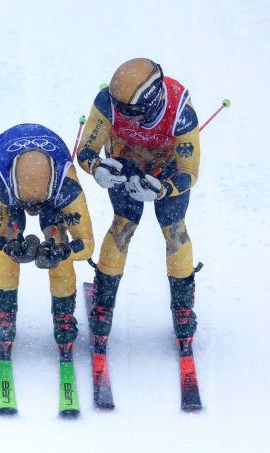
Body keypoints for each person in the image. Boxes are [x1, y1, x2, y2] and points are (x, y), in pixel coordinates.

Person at [76, 57, 201, 355]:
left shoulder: (181, 112)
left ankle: (183, 309)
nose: (122, 116)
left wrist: (163, 190)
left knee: (174, 230)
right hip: (125, 164)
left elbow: (190, 173)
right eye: (119, 109)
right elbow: (86, 149)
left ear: (153, 102)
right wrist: (97, 167)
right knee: (123, 224)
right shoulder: (108, 102)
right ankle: (104, 305)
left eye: (130, 112)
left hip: (166, 170)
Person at [0, 123, 94, 361]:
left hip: (48, 191)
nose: (32, 212)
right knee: (9, 244)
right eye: (29, 207)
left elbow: (86, 243)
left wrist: (62, 252)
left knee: (57, 238)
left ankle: (63, 315)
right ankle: (5, 312)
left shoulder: (67, 183)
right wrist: (8, 246)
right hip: (3, 168)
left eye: (37, 207)